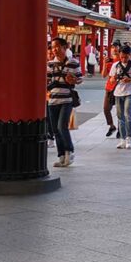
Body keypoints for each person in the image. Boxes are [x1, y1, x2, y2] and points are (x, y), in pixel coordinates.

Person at [46, 37, 80, 168]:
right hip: (53, 99)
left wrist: (73, 80)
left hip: (67, 99)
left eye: (57, 46)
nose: (54, 49)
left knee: (62, 127)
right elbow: (47, 82)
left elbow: (79, 78)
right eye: (52, 47)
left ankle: (69, 151)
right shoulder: (50, 64)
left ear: (65, 47)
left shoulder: (73, 62)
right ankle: (61, 156)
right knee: (55, 130)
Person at [111, 45, 131, 149]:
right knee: (120, 117)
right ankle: (122, 139)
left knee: (128, 114)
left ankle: (129, 138)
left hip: (130, 92)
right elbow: (111, 79)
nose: (123, 59)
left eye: (126, 57)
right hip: (118, 93)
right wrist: (115, 78)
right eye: (122, 56)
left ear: (130, 55)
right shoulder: (116, 65)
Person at [104, 42, 121, 137]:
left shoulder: (121, 59)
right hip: (109, 88)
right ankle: (111, 125)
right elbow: (103, 75)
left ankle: (120, 128)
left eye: (116, 47)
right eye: (112, 47)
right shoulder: (109, 60)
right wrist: (104, 63)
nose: (114, 49)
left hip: (119, 87)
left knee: (119, 110)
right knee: (106, 108)